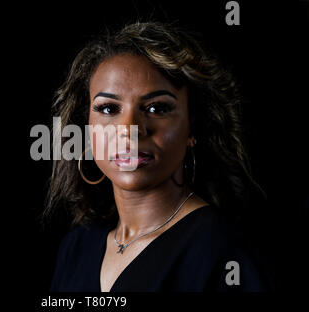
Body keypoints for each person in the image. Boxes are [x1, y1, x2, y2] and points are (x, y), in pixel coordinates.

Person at [46, 21, 270, 292]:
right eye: (108, 109)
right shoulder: (77, 247)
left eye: (157, 108)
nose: (129, 130)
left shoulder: (223, 252)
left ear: (192, 128)